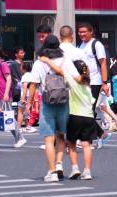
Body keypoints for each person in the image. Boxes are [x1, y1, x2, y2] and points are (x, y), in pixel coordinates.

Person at [27, 35, 79, 183]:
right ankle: (59, 163)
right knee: (61, 135)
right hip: (64, 101)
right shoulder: (65, 60)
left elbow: (33, 84)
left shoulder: (39, 63)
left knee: (49, 139)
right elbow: (75, 77)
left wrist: (29, 103)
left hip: (47, 102)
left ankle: (52, 172)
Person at [44, 58, 96, 180]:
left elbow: (60, 71)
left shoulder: (73, 81)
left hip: (74, 115)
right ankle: (87, 171)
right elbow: (92, 101)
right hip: (89, 116)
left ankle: (75, 168)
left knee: (71, 144)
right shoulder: (88, 86)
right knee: (86, 144)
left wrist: (47, 60)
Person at [0, 46, 26, 148]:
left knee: (7, 118)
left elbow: (9, 79)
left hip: (4, 96)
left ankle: (20, 138)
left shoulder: (3, 64)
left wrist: (6, 94)